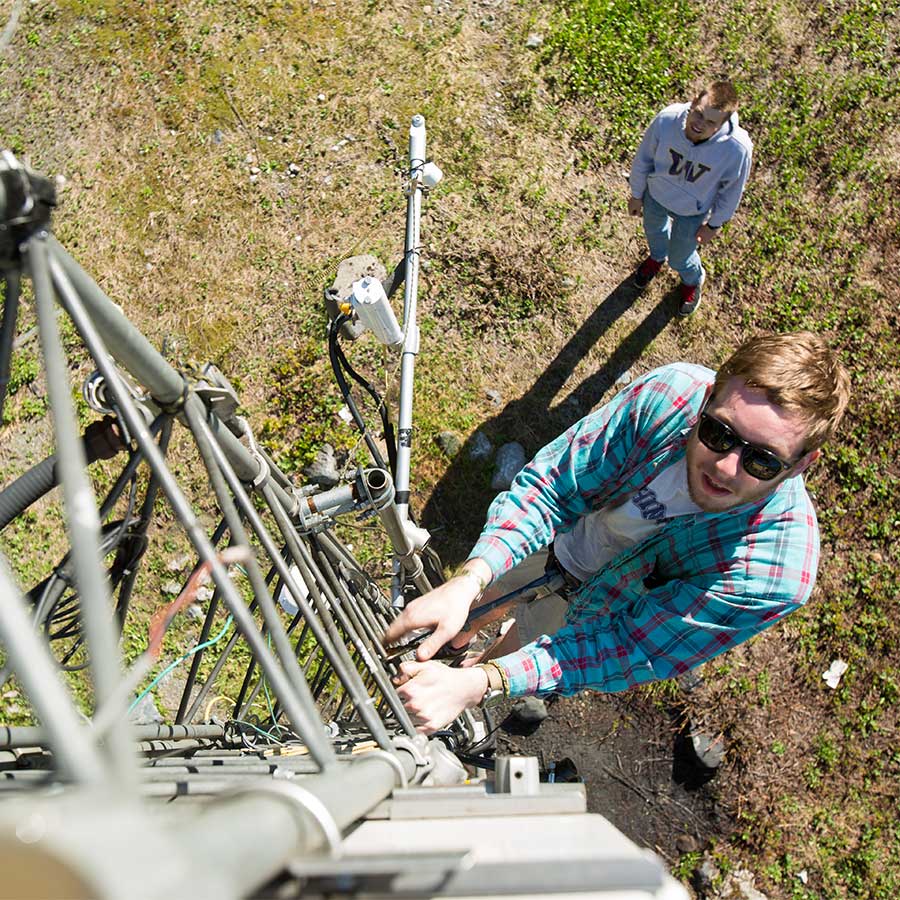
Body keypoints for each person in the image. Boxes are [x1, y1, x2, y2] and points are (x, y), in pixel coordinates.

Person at [384, 332, 850, 734]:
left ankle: (475, 670)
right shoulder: (669, 398)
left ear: (801, 465)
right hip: (558, 538)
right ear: (707, 400)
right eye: (719, 433)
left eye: (762, 461)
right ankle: (464, 633)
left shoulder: (770, 573)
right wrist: (469, 580)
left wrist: (484, 683)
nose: (726, 467)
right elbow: (555, 486)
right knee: (475, 604)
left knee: (517, 647)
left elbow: (629, 646)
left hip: (596, 615)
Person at [628, 80, 753, 316]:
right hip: (656, 195)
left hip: (692, 211)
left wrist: (714, 225)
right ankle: (656, 257)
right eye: (698, 114)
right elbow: (643, 157)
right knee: (654, 231)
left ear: (723, 124)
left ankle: (693, 279)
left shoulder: (737, 149)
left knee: (680, 257)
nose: (699, 125)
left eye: (710, 122)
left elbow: (731, 191)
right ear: (694, 101)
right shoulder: (667, 120)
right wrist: (636, 194)